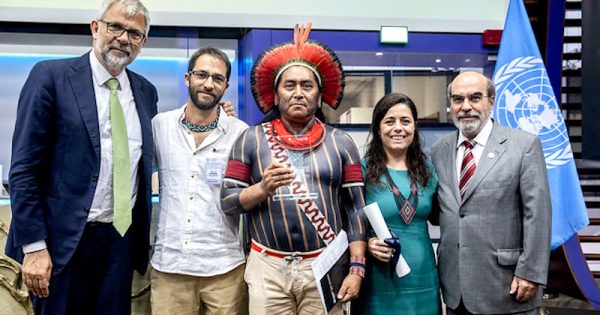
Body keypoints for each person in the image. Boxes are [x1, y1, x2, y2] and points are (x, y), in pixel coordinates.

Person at [6, 0, 157, 313]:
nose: (124, 38)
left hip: (119, 242)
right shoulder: (51, 77)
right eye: (115, 26)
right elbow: (23, 169)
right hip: (61, 245)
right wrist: (34, 246)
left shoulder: (145, 91)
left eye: (135, 33)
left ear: (142, 43)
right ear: (95, 27)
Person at [220, 24, 367, 315]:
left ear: (320, 94)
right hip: (267, 268)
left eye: (307, 85)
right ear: (275, 95)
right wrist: (262, 189)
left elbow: (356, 210)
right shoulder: (250, 139)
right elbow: (227, 202)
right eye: (289, 85)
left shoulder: (342, 143)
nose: (298, 93)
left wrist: (357, 268)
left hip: (326, 265)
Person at [430, 71, 551, 315]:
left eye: (475, 98)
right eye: (457, 99)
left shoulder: (524, 146)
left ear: (491, 101)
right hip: (455, 290)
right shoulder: (438, 150)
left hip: (507, 287)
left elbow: (538, 215)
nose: (466, 107)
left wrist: (530, 272)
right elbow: (439, 211)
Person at [149, 46, 248, 315]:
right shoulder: (160, 126)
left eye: (217, 78)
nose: (208, 84)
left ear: (226, 86)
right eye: (201, 75)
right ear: (187, 78)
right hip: (170, 266)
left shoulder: (240, 133)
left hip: (224, 268)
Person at [353, 93, 440, 315]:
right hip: (379, 280)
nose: (398, 128)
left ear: (415, 127)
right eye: (389, 121)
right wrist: (368, 242)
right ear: (378, 128)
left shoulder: (429, 171)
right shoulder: (362, 171)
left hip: (424, 278)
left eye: (406, 121)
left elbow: (441, 216)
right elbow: (348, 222)